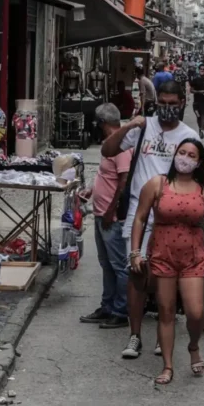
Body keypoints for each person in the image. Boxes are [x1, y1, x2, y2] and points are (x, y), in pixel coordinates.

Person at [100, 80, 199, 359]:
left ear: (182, 103)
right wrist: (130, 125)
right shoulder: (144, 127)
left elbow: (195, 175)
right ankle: (134, 335)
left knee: (163, 275)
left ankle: (162, 332)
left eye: (173, 104)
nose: (167, 109)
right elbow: (108, 151)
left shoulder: (189, 135)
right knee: (136, 272)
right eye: (162, 104)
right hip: (138, 210)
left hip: (172, 211)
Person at [130, 139, 204, 385]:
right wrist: (135, 252)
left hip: (193, 255)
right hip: (162, 253)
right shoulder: (158, 184)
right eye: (181, 152)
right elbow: (140, 218)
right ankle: (168, 366)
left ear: (198, 162)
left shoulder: (202, 189)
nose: (185, 157)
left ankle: (193, 346)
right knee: (166, 311)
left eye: (191, 155)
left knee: (195, 312)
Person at [79, 104, 133, 328]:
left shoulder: (120, 146)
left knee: (118, 265)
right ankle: (107, 305)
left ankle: (120, 311)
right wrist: (91, 190)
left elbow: (123, 180)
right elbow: (105, 174)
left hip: (111, 216)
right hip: (102, 213)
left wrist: (112, 210)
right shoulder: (111, 144)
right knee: (107, 264)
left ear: (102, 123)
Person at [190, 64, 204, 138]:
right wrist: (199, 92)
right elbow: (191, 90)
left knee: (203, 115)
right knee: (198, 116)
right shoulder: (195, 79)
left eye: (203, 69)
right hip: (196, 101)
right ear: (199, 70)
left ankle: (202, 131)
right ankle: (200, 128)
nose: (202, 70)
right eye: (201, 69)